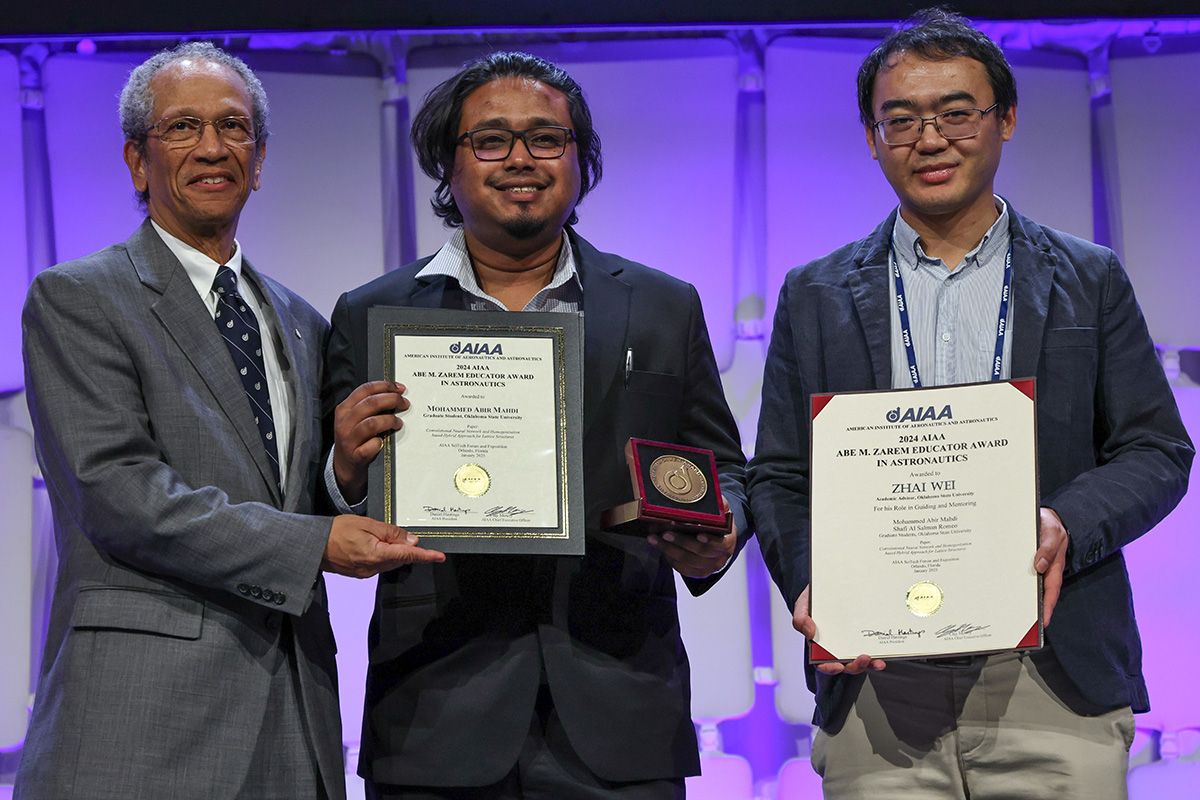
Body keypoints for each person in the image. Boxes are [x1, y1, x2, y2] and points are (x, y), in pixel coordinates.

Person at [748, 9, 1193, 798]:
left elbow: (1156, 450)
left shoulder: (1088, 277)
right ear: (872, 137)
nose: (930, 139)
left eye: (956, 113)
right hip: (877, 681)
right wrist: (819, 583)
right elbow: (779, 474)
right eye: (901, 120)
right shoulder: (814, 293)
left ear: (1006, 119)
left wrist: (1062, 524)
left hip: (1054, 678)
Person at [16, 42, 443, 800]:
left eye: (233, 126)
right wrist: (316, 543)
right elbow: (119, 493)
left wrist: (346, 471)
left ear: (260, 157)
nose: (213, 147)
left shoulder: (302, 321)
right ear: (137, 160)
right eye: (182, 127)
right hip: (143, 720)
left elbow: (296, 496)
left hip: (294, 714)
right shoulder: (78, 298)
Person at [325, 51, 748, 800]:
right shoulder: (372, 314)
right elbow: (322, 505)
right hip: (434, 709)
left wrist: (718, 534)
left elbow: (725, 470)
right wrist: (347, 472)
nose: (520, 158)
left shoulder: (664, 305)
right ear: (448, 165)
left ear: (580, 161)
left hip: (623, 707)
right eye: (491, 140)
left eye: (546, 138)